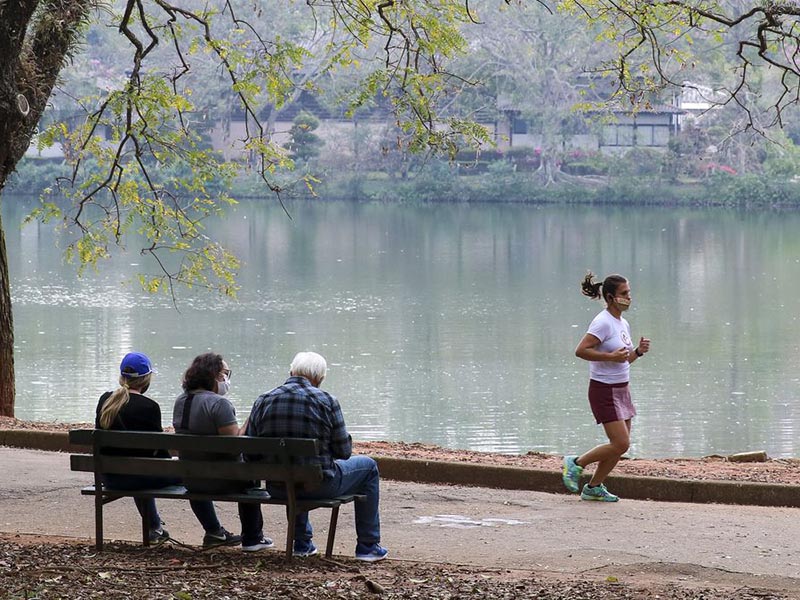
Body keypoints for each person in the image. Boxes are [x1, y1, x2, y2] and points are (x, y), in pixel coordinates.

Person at [246, 351, 388, 562]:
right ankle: (367, 546)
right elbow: (343, 451)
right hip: (320, 486)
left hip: (277, 486)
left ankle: (302, 543)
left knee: (292, 468)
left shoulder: (263, 400)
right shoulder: (326, 400)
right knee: (368, 467)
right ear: (320, 378)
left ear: (291, 371)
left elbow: (251, 454)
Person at [562, 272, 651, 502]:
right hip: (604, 390)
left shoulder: (622, 323)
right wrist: (611, 357)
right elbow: (580, 350)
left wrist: (637, 353)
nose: (629, 297)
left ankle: (593, 487)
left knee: (619, 447)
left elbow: (624, 359)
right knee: (621, 443)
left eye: (629, 293)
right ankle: (575, 463)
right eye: (624, 294)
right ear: (611, 297)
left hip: (622, 389)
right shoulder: (602, 322)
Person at [172, 352, 273, 552]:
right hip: (225, 479)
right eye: (225, 373)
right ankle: (253, 537)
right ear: (213, 375)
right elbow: (233, 445)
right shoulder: (219, 404)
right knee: (250, 474)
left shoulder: (180, 401)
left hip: (191, 478)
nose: (227, 379)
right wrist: (250, 421)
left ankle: (213, 531)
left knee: (199, 469)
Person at [95, 352, 176, 544]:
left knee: (139, 468)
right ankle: (213, 530)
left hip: (110, 477)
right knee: (167, 470)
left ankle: (155, 528)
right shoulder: (150, 407)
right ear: (146, 380)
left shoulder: (105, 400)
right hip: (139, 477)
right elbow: (160, 452)